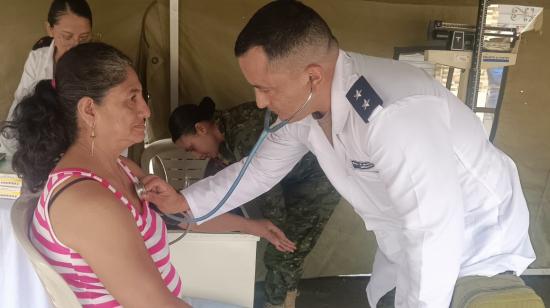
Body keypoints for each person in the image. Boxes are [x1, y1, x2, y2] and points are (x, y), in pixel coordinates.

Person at [143, 1, 536, 307]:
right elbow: (258, 170)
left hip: (475, 241)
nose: (259, 101)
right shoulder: (306, 106)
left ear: (312, 75)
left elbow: (435, 231)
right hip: (407, 239)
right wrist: (186, 203)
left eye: (266, 87)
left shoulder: (394, 115)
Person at [1, 42, 294, 308]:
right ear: (90, 110)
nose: (146, 110)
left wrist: (248, 225)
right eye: (132, 98)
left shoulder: (121, 168)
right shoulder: (87, 202)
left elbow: (178, 215)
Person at [168, 97, 340, 308]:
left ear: (201, 128)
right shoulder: (224, 138)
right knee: (287, 249)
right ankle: (287, 297)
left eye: (191, 148)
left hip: (317, 179)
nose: (195, 156)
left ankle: (276, 303)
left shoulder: (242, 133)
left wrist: (273, 232)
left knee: (281, 251)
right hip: (293, 179)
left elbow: (269, 193)